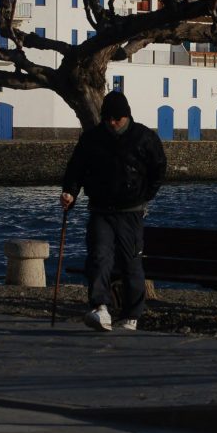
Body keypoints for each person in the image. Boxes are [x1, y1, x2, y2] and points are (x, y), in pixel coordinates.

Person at [60, 92, 167, 332]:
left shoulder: (144, 137)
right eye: (108, 118)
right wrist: (70, 192)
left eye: (117, 118)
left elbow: (159, 168)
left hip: (131, 211)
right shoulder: (92, 138)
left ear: (126, 116)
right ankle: (100, 306)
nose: (112, 122)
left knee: (131, 262)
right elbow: (76, 168)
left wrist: (145, 195)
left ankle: (132, 315)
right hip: (100, 208)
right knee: (99, 256)